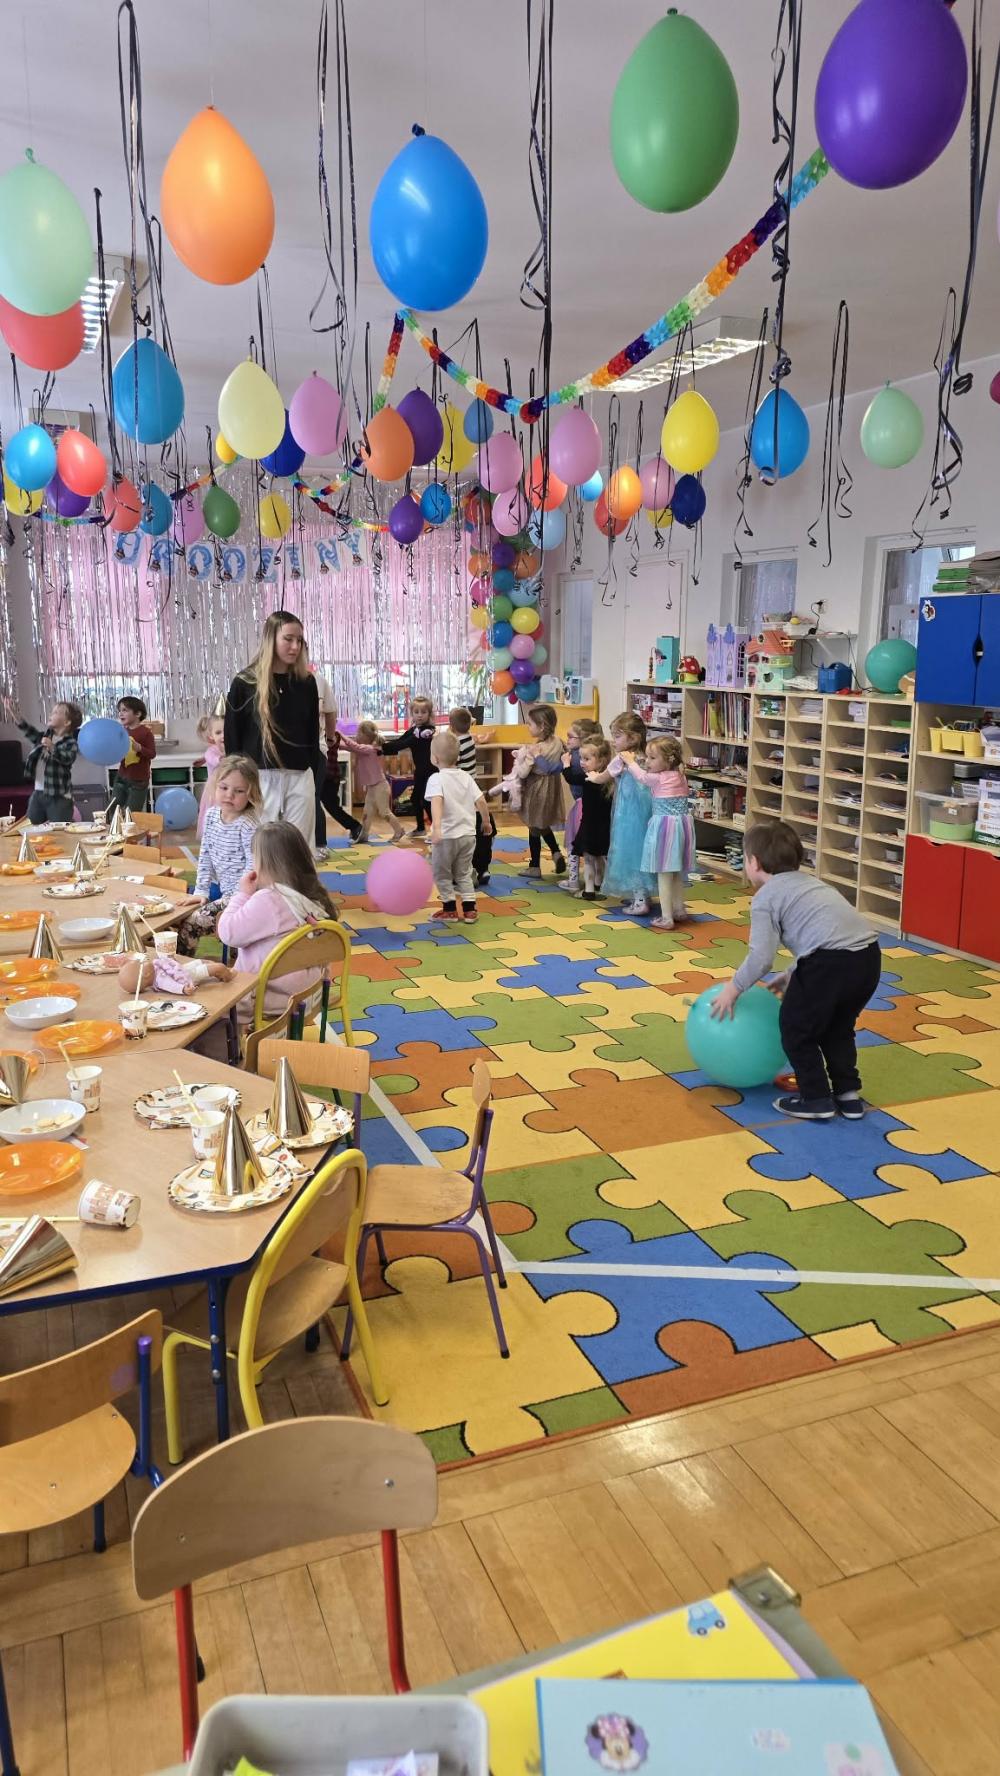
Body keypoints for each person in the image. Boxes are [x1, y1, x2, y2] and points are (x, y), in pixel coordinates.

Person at [711, 819, 882, 1122]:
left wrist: (733, 989)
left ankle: (816, 1099)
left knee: (795, 1029)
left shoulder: (766, 897)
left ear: (754, 862)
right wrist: (792, 974)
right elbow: (825, 933)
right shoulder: (812, 883)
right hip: (867, 959)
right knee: (837, 1028)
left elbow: (761, 957)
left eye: (745, 858)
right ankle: (848, 1094)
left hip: (828, 964)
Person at [217, 819, 339, 1017]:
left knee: (208, 999)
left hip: (265, 999)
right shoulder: (315, 896)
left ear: (263, 863)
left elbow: (228, 933)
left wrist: (243, 894)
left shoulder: (269, 900)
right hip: (311, 994)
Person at [223, 610, 319, 848]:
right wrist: (238, 779)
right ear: (271, 639)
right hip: (260, 776)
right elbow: (232, 735)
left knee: (300, 848)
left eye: (299, 640)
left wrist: (312, 769)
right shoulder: (245, 682)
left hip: (299, 775)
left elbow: (312, 731)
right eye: (288, 639)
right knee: (261, 847)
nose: (295, 647)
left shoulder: (306, 682)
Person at [178, 755, 262, 957]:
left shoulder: (249, 825)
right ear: (215, 786)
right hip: (226, 894)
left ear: (251, 793)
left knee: (192, 923)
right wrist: (201, 890)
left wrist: (237, 901)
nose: (229, 795)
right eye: (224, 788)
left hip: (246, 897)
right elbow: (205, 855)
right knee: (179, 915)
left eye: (239, 791)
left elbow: (253, 869)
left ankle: (179, 967)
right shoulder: (211, 816)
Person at [623, 734, 695, 931]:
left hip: (665, 830)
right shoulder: (680, 775)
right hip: (681, 828)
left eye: (652, 758)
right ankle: (679, 909)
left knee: (664, 874)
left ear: (668, 760)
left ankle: (667, 917)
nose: (647, 762)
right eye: (647, 757)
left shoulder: (658, 778)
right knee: (676, 872)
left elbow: (641, 777)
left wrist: (630, 761)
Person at [426, 730, 494, 922]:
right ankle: (470, 910)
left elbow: (437, 801)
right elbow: (481, 801)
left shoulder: (436, 779)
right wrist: (486, 822)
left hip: (446, 836)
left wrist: (436, 828)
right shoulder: (466, 777)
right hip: (468, 835)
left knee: (442, 873)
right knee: (464, 873)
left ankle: (449, 910)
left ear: (435, 758)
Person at [600, 712, 653, 916]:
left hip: (629, 816)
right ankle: (643, 895)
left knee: (630, 854)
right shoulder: (646, 758)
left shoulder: (624, 759)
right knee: (642, 853)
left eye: (617, 736)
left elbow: (605, 776)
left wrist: (593, 776)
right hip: (643, 814)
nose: (613, 741)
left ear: (633, 738)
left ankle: (640, 901)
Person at [514, 703, 567, 878]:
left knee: (534, 827)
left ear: (542, 726)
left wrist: (519, 762)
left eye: (530, 724)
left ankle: (535, 866)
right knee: (541, 823)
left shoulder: (536, 749)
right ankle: (556, 852)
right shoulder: (558, 742)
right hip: (552, 788)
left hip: (536, 789)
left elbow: (523, 773)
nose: (528, 726)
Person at [337, 722, 406, 843]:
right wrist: (335, 742)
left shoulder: (370, 749)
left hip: (380, 786)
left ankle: (399, 830)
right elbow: (348, 747)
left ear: (365, 736)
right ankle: (364, 835)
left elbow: (354, 746)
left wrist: (341, 734)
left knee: (384, 812)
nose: (356, 735)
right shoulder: (362, 749)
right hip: (372, 787)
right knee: (367, 813)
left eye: (358, 733)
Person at [450, 705, 494, 886]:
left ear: (451, 726)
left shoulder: (457, 744)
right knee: (477, 825)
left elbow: (451, 763)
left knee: (464, 830)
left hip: (461, 787)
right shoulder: (470, 738)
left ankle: (468, 870)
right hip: (473, 784)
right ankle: (483, 869)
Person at [379, 694, 436, 834]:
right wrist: (381, 747)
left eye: (423, 712)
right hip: (420, 771)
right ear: (412, 714)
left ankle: (438, 829)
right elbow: (400, 741)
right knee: (415, 798)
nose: (420, 715)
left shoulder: (426, 732)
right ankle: (421, 829)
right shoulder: (413, 730)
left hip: (431, 772)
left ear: (429, 714)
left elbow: (403, 744)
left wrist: (381, 749)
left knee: (426, 800)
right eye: (416, 712)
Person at [315, 681, 363, 846]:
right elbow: (346, 746)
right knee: (329, 806)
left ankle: (354, 826)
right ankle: (354, 826)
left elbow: (345, 745)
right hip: (330, 776)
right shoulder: (331, 736)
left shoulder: (329, 736)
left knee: (327, 806)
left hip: (329, 777)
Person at [18, 700, 82, 824]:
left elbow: (67, 758)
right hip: (38, 792)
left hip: (59, 796)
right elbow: (29, 731)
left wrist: (52, 747)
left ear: (67, 722)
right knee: (32, 823)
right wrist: (16, 715)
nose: (51, 714)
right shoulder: (45, 737)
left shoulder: (70, 743)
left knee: (60, 828)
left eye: (56, 712)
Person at [559, 717, 604, 893]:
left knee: (575, 843)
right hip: (590, 809)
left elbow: (573, 777)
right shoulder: (594, 757)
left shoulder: (579, 758)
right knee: (594, 847)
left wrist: (565, 764)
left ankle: (573, 880)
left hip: (582, 808)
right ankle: (598, 880)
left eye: (571, 736)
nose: (568, 740)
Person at [575, 734, 614, 899]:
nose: (582, 762)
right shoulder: (610, 781)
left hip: (590, 826)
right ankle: (600, 883)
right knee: (601, 856)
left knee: (589, 859)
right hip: (605, 827)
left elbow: (570, 777)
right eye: (581, 758)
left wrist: (566, 765)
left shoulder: (589, 778)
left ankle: (589, 890)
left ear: (601, 761)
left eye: (586, 759)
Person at [112, 696, 157, 815]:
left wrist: (140, 748)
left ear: (137, 714)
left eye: (125, 710)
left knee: (131, 813)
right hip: (121, 777)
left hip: (139, 781)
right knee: (113, 809)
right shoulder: (121, 732)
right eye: (119, 710)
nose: (121, 713)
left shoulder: (146, 733)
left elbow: (152, 754)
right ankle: (112, 827)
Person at [196, 712, 226, 837]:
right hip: (215, 792)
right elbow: (215, 759)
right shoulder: (211, 751)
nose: (223, 736)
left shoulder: (231, 748)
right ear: (211, 736)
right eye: (218, 733)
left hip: (228, 790)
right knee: (215, 818)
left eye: (226, 731)